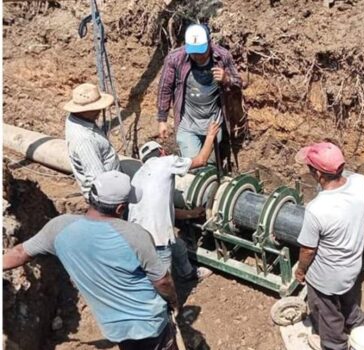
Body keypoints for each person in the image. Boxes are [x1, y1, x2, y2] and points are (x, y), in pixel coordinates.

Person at [3, 171, 180, 350]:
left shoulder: (59, 228)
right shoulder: (135, 235)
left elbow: (19, 253)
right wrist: (173, 301)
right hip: (150, 324)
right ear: (120, 208)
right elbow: (162, 281)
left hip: (115, 328)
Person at [294, 142, 364, 350]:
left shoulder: (317, 209)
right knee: (348, 300)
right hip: (352, 267)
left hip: (326, 279)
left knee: (327, 314)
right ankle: (360, 328)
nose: (308, 171)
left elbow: (308, 250)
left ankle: (335, 344)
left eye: (310, 168)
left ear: (319, 174)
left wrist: (301, 271)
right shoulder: (361, 183)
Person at [128, 121, 222, 282]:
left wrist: (191, 214)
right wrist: (211, 135)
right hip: (157, 236)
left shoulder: (139, 175)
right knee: (163, 278)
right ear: (162, 151)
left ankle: (188, 273)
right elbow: (201, 161)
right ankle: (169, 306)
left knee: (177, 246)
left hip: (135, 234)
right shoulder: (166, 162)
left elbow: (162, 209)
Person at [156, 23, 242, 164]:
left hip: (213, 124)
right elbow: (165, 88)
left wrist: (226, 79)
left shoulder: (222, 56)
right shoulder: (175, 59)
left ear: (209, 43)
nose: (197, 56)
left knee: (211, 167)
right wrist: (162, 120)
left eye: (201, 51)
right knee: (195, 167)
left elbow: (239, 83)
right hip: (187, 124)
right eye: (194, 52)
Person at [64, 83, 120, 199]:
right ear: (85, 111)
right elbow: (98, 180)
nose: (100, 110)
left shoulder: (77, 119)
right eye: (96, 109)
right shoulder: (84, 140)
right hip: (107, 197)